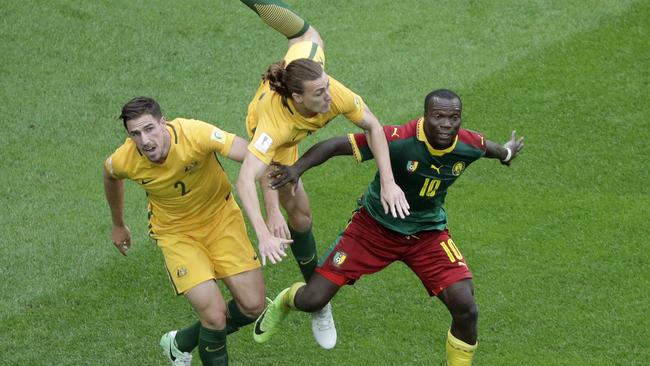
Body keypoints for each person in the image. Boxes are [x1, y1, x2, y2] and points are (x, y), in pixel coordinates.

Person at [254, 89, 524, 365]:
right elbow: (336, 145)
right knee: (313, 299)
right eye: (438, 116)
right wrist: (297, 169)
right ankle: (286, 299)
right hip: (372, 230)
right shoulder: (399, 139)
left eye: (454, 117)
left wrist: (507, 152)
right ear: (425, 116)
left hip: (427, 234)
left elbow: (491, 149)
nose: (447, 124)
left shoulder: (468, 143)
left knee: (465, 306)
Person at [236, 0, 409, 349]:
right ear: (297, 96)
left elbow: (374, 126)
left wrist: (389, 182)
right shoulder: (273, 125)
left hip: (298, 88)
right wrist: (265, 227)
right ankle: (321, 302)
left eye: (327, 87)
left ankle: (318, 299)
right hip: (276, 144)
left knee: (301, 220)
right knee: (295, 214)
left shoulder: (324, 82)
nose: (330, 98)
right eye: (319, 94)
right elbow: (246, 178)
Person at [103, 96, 265, 366]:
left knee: (252, 306)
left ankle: (180, 342)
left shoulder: (195, 134)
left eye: (149, 129)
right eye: (135, 134)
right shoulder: (125, 159)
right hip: (176, 234)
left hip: (221, 220)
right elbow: (109, 175)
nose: (144, 140)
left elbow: (250, 154)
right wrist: (119, 224)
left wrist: (270, 200)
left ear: (163, 123)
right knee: (213, 315)